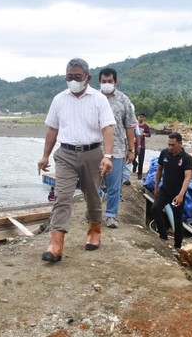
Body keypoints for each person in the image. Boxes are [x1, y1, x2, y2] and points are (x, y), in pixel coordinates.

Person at [38, 58, 115, 263]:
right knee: (62, 196)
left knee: (92, 195)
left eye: (77, 77)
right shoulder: (59, 100)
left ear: (87, 78)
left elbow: (107, 128)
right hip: (66, 155)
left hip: (92, 153)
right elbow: (52, 129)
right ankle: (56, 243)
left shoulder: (99, 99)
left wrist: (107, 156)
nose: (73, 81)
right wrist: (45, 155)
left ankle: (94, 229)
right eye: (69, 77)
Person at [98, 67, 137, 229]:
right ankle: (93, 212)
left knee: (114, 185)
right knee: (93, 184)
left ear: (116, 81)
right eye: (103, 81)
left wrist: (131, 149)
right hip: (95, 149)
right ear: (99, 81)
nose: (107, 84)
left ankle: (111, 215)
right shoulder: (93, 98)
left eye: (110, 81)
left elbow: (129, 126)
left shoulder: (123, 100)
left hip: (118, 149)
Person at [151, 132, 192, 249]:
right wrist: (156, 186)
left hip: (178, 193)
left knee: (177, 219)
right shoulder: (164, 153)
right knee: (155, 209)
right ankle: (163, 236)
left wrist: (181, 195)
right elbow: (159, 169)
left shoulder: (186, 158)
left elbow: (188, 177)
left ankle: (177, 246)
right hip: (165, 190)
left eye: (173, 145)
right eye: (168, 144)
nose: (170, 147)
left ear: (180, 144)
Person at [132, 112, 151, 180]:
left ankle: (139, 174)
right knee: (132, 157)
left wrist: (144, 134)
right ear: (137, 117)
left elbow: (149, 134)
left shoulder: (146, 126)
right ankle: (134, 164)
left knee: (141, 160)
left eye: (142, 117)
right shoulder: (134, 124)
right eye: (140, 117)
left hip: (142, 146)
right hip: (133, 144)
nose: (141, 118)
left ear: (144, 118)